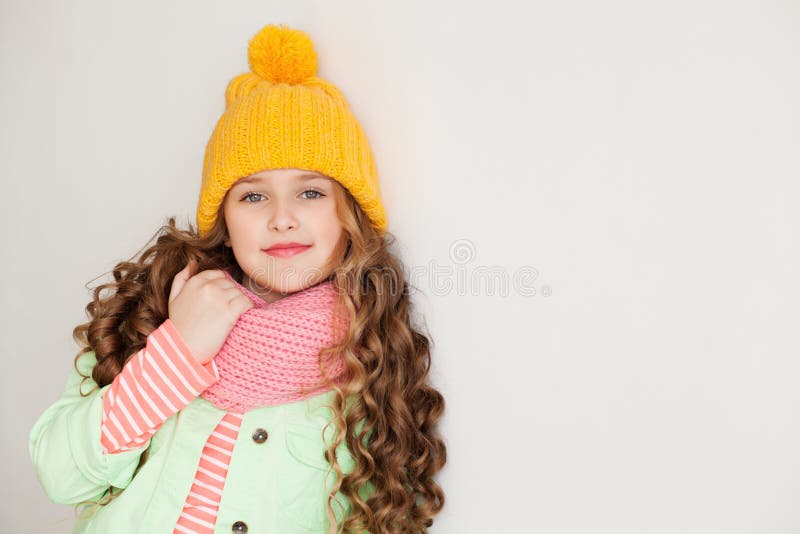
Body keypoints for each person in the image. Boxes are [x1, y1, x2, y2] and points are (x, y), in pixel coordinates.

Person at [28, 23, 446, 534]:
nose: (281, 217)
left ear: (349, 217)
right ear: (224, 223)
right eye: (253, 196)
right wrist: (175, 351)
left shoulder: (371, 355)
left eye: (311, 192)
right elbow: (61, 476)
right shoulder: (153, 312)